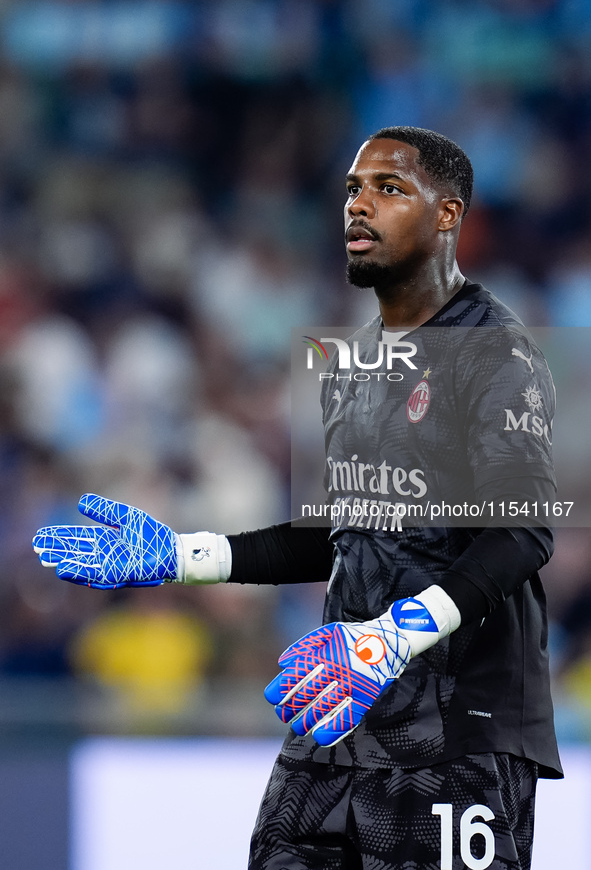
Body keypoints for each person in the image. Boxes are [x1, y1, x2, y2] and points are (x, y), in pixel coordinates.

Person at [33, 127, 562, 870]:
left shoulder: (496, 350)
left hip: (458, 727)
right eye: (352, 188)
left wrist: (392, 634)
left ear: (447, 216)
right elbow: (341, 535)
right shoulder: (353, 365)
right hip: (337, 713)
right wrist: (183, 554)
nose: (358, 205)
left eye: (388, 188)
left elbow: (521, 534)